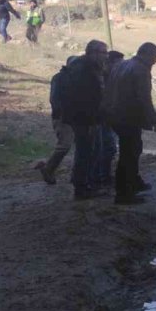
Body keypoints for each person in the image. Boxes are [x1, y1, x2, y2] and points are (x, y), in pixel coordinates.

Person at [104, 42, 156, 205]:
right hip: (128, 117)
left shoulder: (123, 64)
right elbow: (144, 98)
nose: (155, 61)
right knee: (129, 154)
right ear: (145, 54)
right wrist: (155, 121)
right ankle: (123, 194)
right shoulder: (140, 70)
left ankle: (135, 182)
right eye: (154, 57)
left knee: (133, 149)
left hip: (115, 115)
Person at [60, 40, 109, 200]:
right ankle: (82, 188)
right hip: (84, 120)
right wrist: (90, 121)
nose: (106, 56)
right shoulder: (83, 70)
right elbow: (83, 99)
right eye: (103, 53)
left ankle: (83, 183)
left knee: (89, 151)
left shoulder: (88, 67)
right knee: (86, 153)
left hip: (87, 119)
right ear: (93, 52)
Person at [34, 56, 79, 185]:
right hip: (63, 117)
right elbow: (54, 98)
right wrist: (61, 114)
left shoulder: (73, 77)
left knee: (75, 145)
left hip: (74, 117)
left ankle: (72, 173)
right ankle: (48, 168)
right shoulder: (59, 78)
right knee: (64, 145)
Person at [92, 51, 125, 190]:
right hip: (100, 119)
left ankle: (103, 175)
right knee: (104, 148)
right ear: (110, 62)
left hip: (109, 118)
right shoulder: (100, 77)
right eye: (118, 63)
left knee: (109, 148)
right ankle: (100, 177)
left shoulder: (111, 77)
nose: (120, 66)